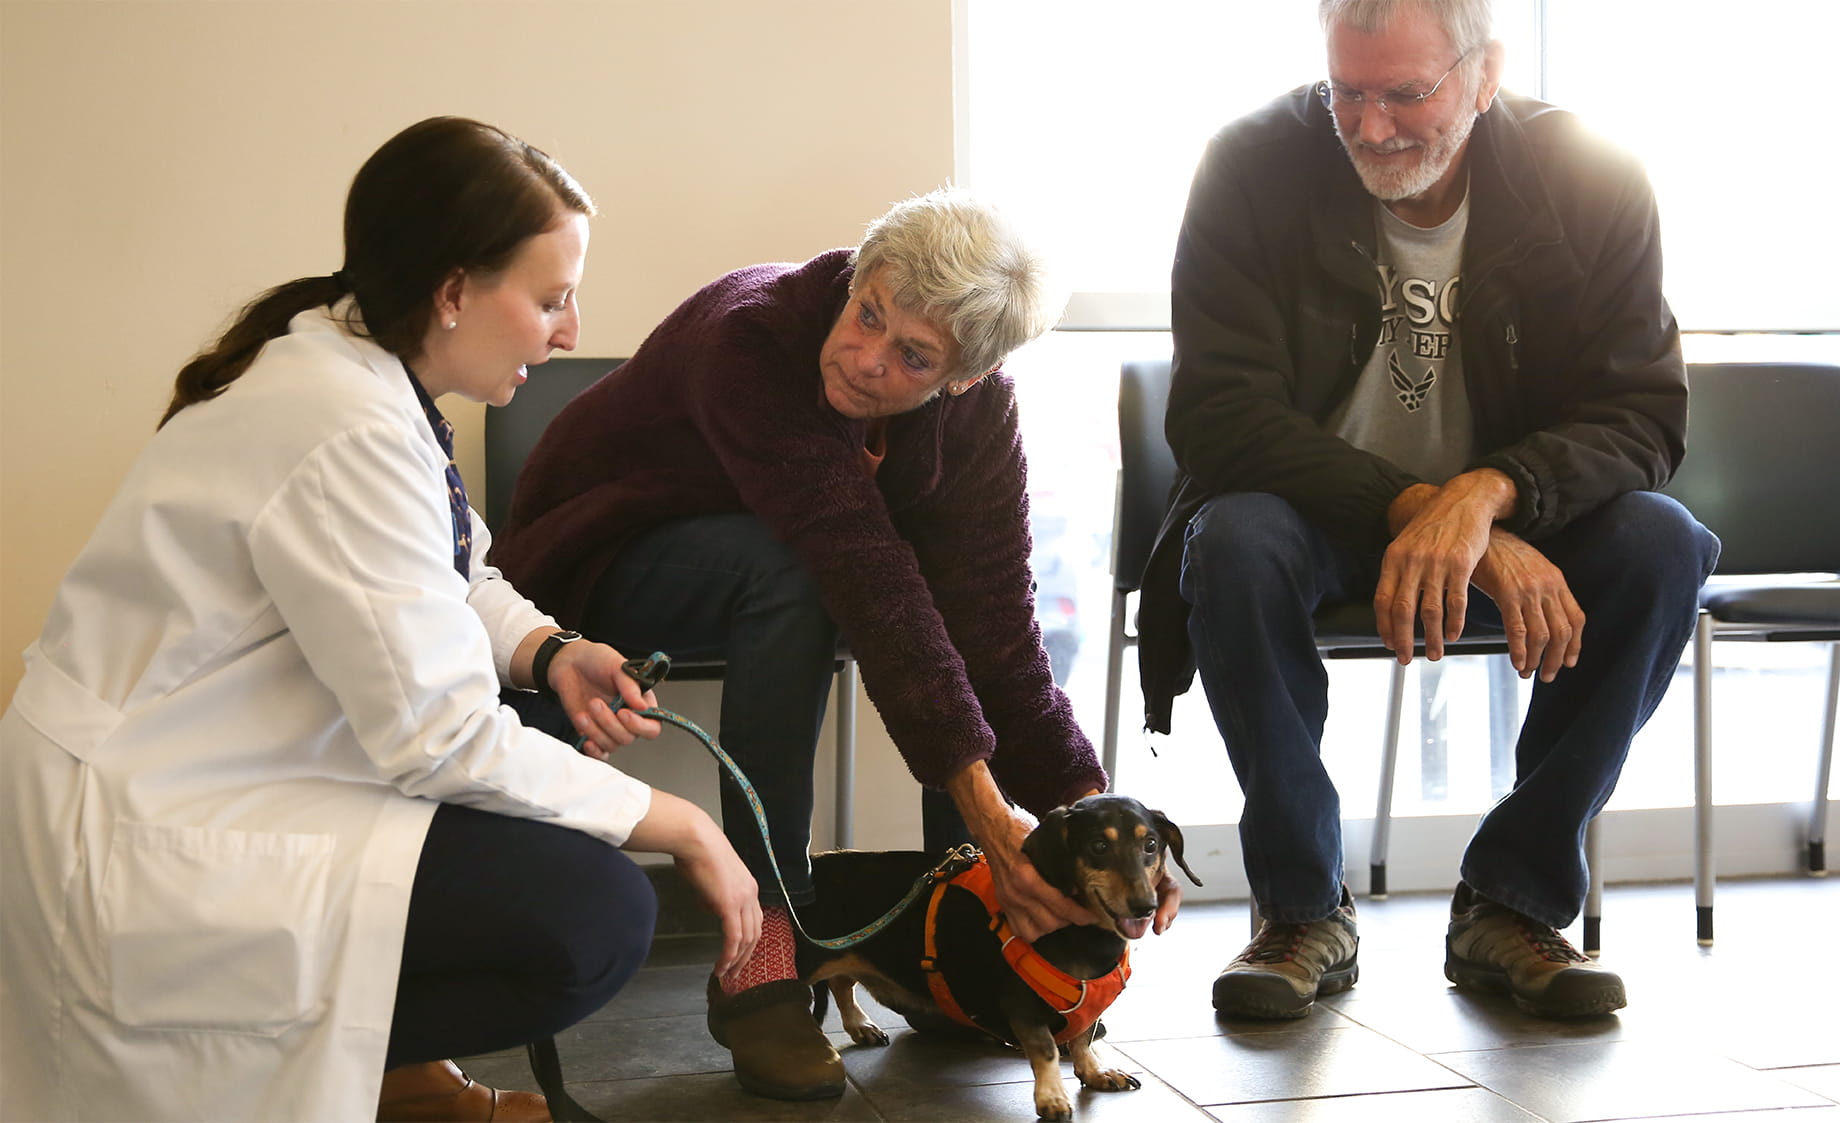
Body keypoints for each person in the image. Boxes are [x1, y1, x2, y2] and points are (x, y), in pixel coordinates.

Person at [0, 117, 761, 1123]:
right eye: (549, 298)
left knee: (537, 731)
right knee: (596, 917)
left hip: (216, 767)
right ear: (453, 292)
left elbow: (452, 567)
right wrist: (684, 823)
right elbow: (437, 736)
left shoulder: (358, 373)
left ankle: (396, 1075)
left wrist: (551, 650)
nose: (568, 331)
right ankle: (374, 1074)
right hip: (149, 824)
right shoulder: (344, 420)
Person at [493, 187, 1180, 1100]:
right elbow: (864, 575)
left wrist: (1091, 815)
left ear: (964, 377)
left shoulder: (978, 418)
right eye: (868, 314)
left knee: (937, 631)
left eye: (913, 355)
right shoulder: (750, 338)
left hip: (772, 571)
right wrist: (991, 816)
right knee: (810, 573)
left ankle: (957, 944)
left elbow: (1002, 639)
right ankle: (763, 956)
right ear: (860, 275)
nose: (864, 357)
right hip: (591, 569)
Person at [1136, 0, 1720, 1022]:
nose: (1369, 129)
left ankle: (1511, 897)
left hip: (1509, 512)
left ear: (1483, 72)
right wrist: (1422, 508)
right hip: (1314, 513)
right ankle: (1300, 908)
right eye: (1345, 92)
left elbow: (1641, 415)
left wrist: (1490, 500)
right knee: (1230, 538)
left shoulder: (1590, 179)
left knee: (1662, 544)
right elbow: (1216, 414)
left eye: (1405, 94)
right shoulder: (1248, 166)